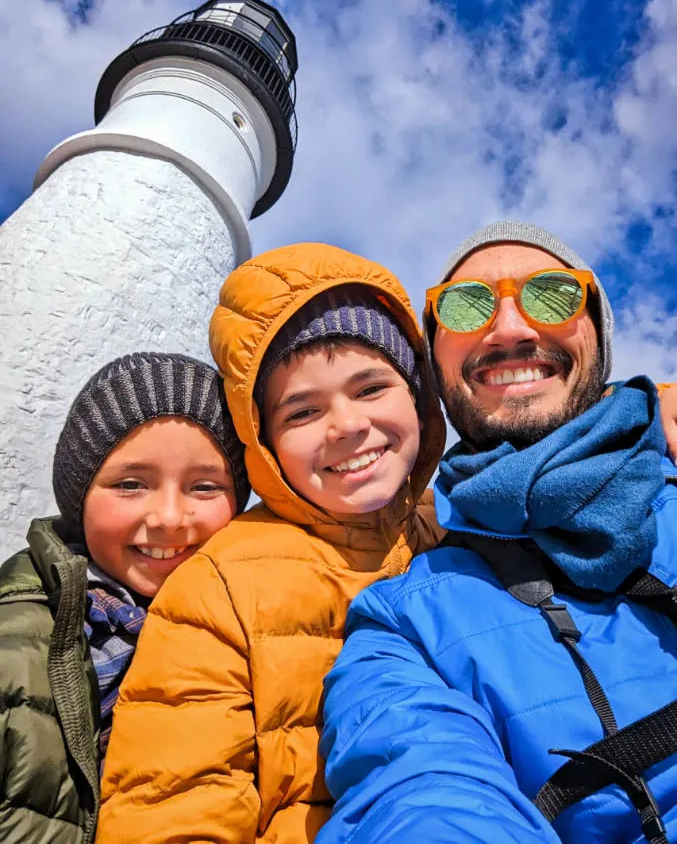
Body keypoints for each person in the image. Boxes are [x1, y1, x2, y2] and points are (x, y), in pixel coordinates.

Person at [318, 221, 677, 844]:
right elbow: (420, 788)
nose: (510, 329)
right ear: (435, 364)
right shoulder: (405, 622)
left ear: (598, 330)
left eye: (553, 294)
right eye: (465, 307)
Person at [95, 243, 446, 844]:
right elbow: (174, 811)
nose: (347, 426)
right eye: (302, 412)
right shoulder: (217, 587)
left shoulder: (467, 524)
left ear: (416, 393)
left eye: (369, 389)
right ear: (262, 443)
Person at [0, 352, 249, 844]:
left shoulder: (250, 623)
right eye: (131, 484)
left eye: (204, 486)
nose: (170, 518)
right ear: (79, 497)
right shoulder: (17, 640)